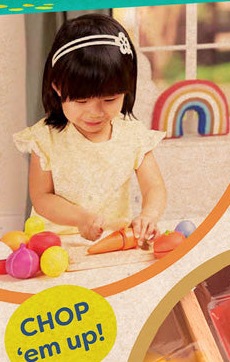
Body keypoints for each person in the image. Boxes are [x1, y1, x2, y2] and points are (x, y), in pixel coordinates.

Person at [13, 14, 167, 242]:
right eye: (81, 101)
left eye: (109, 99)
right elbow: (42, 197)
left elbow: (154, 187)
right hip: (54, 243)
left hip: (112, 241)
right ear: (57, 88)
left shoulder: (133, 135)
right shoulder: (45, 139)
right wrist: (81, 218)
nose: (95, 112)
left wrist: (148, 215)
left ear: (126, 90)